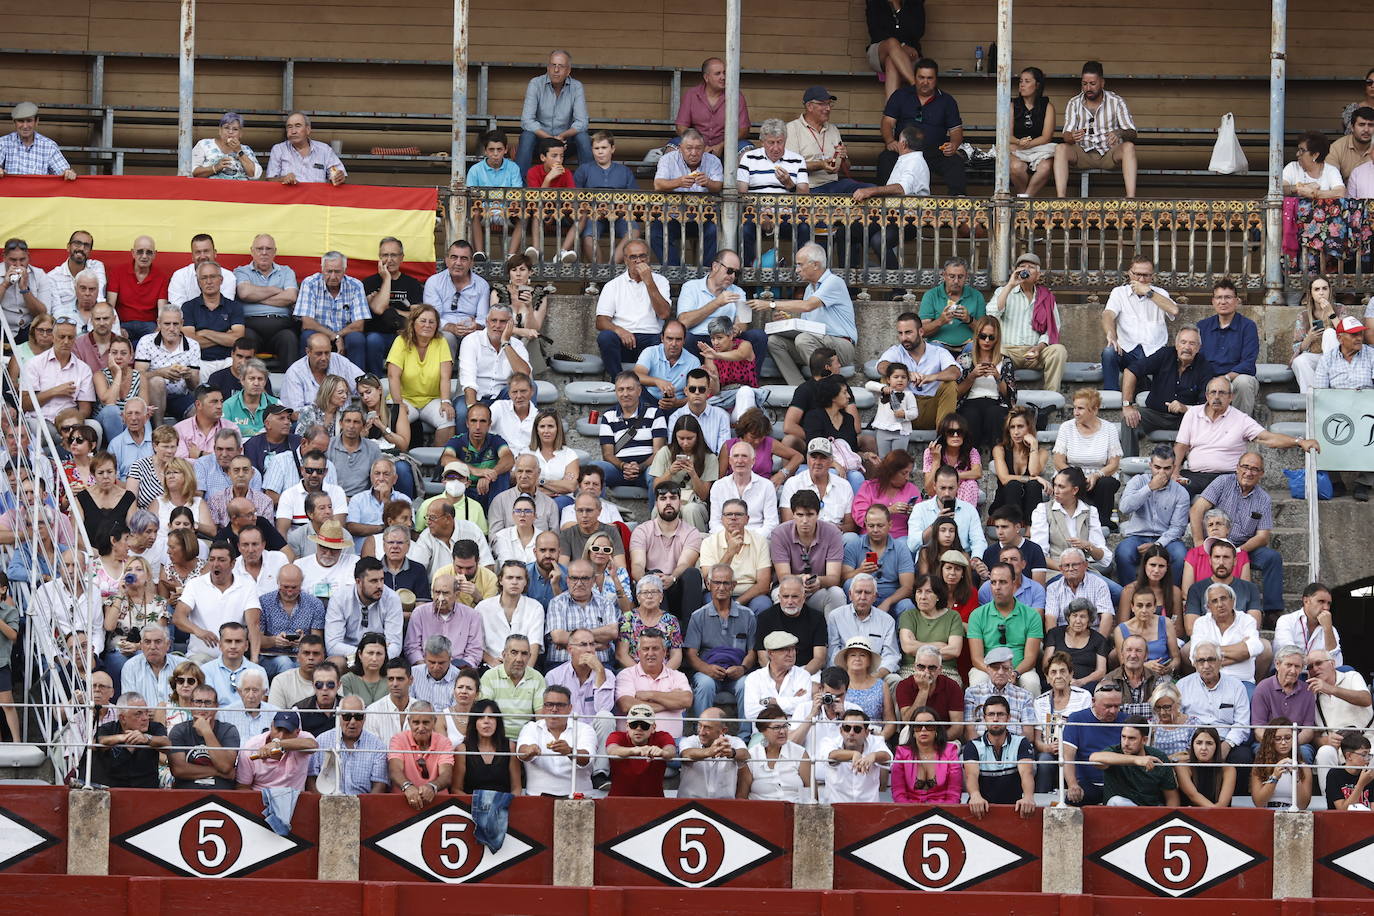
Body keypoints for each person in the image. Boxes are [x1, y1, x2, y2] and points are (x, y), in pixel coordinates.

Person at [763, 244, 858, 386]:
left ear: (815, 265)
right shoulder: (809, 288)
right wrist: (785, 322)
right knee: (774, 341)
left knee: (803, 339)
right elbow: (807, 325)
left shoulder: (833, 282)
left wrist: (771, 304)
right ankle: (799, 387)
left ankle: (825, 387)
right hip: (815, 343)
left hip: (841, 346)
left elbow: (808, 306)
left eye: (800, 265)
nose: (797, 270)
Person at [877, 58, 964, 194]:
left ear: (936, 79)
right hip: (903, 151)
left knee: (955, 163)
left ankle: (958, 208)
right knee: (885, 159)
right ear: (915, 78)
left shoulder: (947, 101)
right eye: (921, 77)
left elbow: (956, 130)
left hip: (935, 152)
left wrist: (953, 145)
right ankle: (882, 205)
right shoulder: (900, 95)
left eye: (930, 78)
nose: (925, 82)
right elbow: (887, 122)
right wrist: (889, 141)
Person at [1053, 62, 1139, 198]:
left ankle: (1130, 199)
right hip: (1082, 154)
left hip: (1109, 154)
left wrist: (1119, 132)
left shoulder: (1116, 101)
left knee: (1128, 147)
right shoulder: (1074, 103)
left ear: (1102, 83)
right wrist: (1072, 136)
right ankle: (1061, 199)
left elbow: (1132, 133)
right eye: (1084, 84)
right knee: (1060, 149)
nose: (1088, 88)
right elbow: (1066, 136)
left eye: (1092, 84)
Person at [546, 627, 616, 784]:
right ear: (570, 649)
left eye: (592, 644)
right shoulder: (554, 676)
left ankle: (600, 774)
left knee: (606, 717)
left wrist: (599, 671)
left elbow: (603, 709)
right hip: (568, 733)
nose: (590, 650)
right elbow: (552, 712)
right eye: (583, 644)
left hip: (595, 735)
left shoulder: (607, 674)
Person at [684, 565, 757, 717]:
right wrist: (707, 669)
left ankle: (745, 736)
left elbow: (752, 651)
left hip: (737, 671)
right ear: (709, 584)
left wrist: (742, 668)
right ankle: (703, 734)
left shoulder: (748, 615)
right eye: (717, 582)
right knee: (705, 684)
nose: (721, 587)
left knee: (746, 684)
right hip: (708, 671)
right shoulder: (698, 616)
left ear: (733, 585)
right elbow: (690, 654)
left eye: (726, 583)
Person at [1100, 255, 1180, 391]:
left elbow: (1174, 310)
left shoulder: (1160, 293)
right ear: (1129, 274)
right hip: (1127, 350)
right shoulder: (1119, 293)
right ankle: (1111, 395)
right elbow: (1108, 314)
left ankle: (1147, 390)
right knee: (1108, 352)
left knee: (1170, 357)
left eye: (1146, 275)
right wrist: (1111, 334)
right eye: (1137, 275)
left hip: (1154, 352)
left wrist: (1148, 292)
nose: (1142, 279)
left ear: (1153, 276)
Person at [1178, 642, 1254, 767]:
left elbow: (1242, 724)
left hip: (1224, 740)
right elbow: (1177, 720)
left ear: (1221, 661)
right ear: (1195, 664)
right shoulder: (1182, 685)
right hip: (1192, 743)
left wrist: (1227, 745)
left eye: (1211, 660)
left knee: (1243, 757)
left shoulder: (1236, 686)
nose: (1206, 665)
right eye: (1201, 661)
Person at [516, 50, 591, 175]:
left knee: (583, 137)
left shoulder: (576, 87)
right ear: (548, 67)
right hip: (540, 141)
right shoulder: (535, 84)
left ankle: (589, 185)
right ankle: (518, 186)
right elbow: (527, 121)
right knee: (527, 136)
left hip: (565, 142)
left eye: (560, 66)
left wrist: (562, 137)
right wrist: (550, 139)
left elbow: (582, 122)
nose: (556, 70)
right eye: (553, 65)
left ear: (568, 70)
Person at [961, 695, 1037, 818]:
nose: (995, 719)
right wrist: (975, 796)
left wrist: (1028, 797)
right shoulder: (973, 745)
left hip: (1014, 810)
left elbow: (1026, 773)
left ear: (1008, 718)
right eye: (991, 714)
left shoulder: (1021, 742)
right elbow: (971, 775)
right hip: (981, 809)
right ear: (984, 718)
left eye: (1000, 714)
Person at [786, 86, 868, 196]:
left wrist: (843, 158)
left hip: (833, 184)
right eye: (823, 104)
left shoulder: (833, 129)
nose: (828, 108)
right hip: (808, 187)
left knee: (870, 189)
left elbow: (846, 168)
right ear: (809, 106)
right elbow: (791, 166)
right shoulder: (792, 128)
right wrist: (821, 165)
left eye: (829, 104)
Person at [234, 234, 300, 370]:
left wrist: (256, 297)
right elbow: (245, 293)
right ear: (252, 251)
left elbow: (291, 297)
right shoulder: (241, 271)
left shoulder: (286, 271)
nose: (264, 253)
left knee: (290, 338)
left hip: (281, 327)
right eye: (259, 248)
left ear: (275, 252)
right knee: (245, 338)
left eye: (268, 249)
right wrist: (275, 290)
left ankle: (291, 387)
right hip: (251, 326)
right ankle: (244, 387)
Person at [516, 684, 596, 797]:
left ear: (570, 708)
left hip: (578, 798)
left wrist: (570, 751)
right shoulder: (531, 727)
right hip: (538, 798)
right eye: (549, 705)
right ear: (543, 708)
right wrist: (530, 750)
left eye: (560, 705)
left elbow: (588, 759)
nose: (554, 709)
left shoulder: (585, 729)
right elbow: (521, 752)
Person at [295, 251, 369, 370]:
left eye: (338, 272)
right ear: (322, 269)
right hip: (320, 333)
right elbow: (307, 322)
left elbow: (359, 324)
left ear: (344, 270)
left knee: (357, 339)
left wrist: (339, 336)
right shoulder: (310, 283)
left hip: (345, 334)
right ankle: (307, 379)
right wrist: (335, 337)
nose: (333, 276)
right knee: (307, 336)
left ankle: (358, 382)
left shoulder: (355, 285)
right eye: (329, 271)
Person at [698, 499, 773, 615]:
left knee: (763, 604)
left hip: (751, 594)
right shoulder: (709, 542)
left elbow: (763, 585)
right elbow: (709, 581)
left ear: (747, 519)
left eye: (738, 514)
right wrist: (730, 552)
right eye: (728, 514)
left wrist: (737, 603)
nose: (733, 518)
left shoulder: (760, 541)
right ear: (722, 520)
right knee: (713, 603)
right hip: (719, 591)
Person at [1089, 716, 1181, 806]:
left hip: (1151, 814)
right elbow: (1094, 758)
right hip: (1119, 814)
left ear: (1144, 740)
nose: (1125, 743)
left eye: (1131, 738)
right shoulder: (1115, 752)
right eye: (1123, 737)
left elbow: (1172, 798)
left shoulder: (1158, 757)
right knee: (1116, 801)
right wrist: (1136, 760)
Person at [306, 695, 388, 794]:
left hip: (363, 805)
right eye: (347, 716)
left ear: (365, 717)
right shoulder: (322, 740)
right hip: (326, 803)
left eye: (358, 716)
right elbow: (311, 779)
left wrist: (365, 807)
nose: (352, 722)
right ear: (339, 717)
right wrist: (323, 803)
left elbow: (379, 785)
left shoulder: (378, 746)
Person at [1061, 681, 1125, 805]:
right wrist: (1072, 784)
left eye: (1117, 706)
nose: (1112, 711)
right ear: (1093, 701)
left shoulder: (1126, 720)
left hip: (1119, 784)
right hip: (1087, 784)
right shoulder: (1077, 719)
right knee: (1073, 799)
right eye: (1107, 706)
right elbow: (1067, 756)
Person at [673, 57, 751, 160]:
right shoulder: (692, 94)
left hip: (727, 146)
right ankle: (681, 177)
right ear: (706, 77)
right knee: (672, 149)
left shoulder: (736, 96)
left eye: (724, 73)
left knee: (747, 152)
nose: (723, 77)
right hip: (696, 144)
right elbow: (681, 127)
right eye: (718, 74)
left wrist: (721, 146)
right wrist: (698, 145)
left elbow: (743, 130)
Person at [91, 692, 170, 788]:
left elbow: (167, 744)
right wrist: (122, 737)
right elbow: (96, 743)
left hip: (147, 789)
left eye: (146, 712)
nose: (145, 718)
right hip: (114, 789)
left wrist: (147, 738)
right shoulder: (109, 728)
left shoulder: (155, 727)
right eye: (138, 714)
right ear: (123, 718)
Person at [387, 700, 454, 809]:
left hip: (438, 804)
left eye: (426, 722)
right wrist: (407, 787)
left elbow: (446, 775)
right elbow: (395, 770)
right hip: (402, 802)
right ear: (409, 722)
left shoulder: (444, 742)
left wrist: (432, 787)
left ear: (434, 721)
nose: (421, 728)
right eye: (416, 722)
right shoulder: (398, 739)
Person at [737, 705, 812, 801]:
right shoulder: (752, 755)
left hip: (793, 810)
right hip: (760, 811)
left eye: (785, 726)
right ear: (763, 731)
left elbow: (812, 792)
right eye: (776, 728)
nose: (782, 731)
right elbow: (741, 796)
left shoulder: (800, 753)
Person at [450, 698, 522, 795]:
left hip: (503, 806)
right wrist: (477, 803)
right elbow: (456, 789)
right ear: (474, 722)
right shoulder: (462, 749)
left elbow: (516, 788)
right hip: (470, 806)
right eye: (481, 717)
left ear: (498, 721)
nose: (486, 721)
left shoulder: (510, 747)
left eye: (491, 717)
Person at [604, 703, 677, 798]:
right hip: (619, 801)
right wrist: (635, 750)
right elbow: (612, 750)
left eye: (644, 725)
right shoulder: (616, 736)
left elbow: (671, 751)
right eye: (633, 725)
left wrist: (662, 753)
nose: (638, 729)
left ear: (653, 727)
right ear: (627, 726)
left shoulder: (662, 736)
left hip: (654, 802)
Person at [678, 708, 748, 798]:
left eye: (707, 727)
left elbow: (745, 755)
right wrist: (710, 751)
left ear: (723, 731)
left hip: (723, 805)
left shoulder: (734, 742)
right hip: (690, 806)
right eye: (699, 726)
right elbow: (686, 754)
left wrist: (732, 753)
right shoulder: (689, 740)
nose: (701, 732)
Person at [0, 101, 76, 179]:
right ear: (14, 122)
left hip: (40, 191)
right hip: (11, 191)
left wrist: (68, 173)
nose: (25, 126)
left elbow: (64, 171)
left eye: (29, 121)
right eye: (21, 121)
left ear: (36, 121)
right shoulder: (3, 143)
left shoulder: (49, 146)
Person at [1250, 718, 1313, 809]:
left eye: (1288, 738)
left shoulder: (1304, 768)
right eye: (1277, 739)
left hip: (1293, 814)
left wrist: (1296, 777)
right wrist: (1274, 778)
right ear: (1270, 741)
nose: (1283, 743)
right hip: (1268, 812)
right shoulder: (1260, 766)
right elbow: (1259, 803)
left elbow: (1303, 805)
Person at [266, 112, 345, 185]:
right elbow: (270, 180)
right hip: (288, 199)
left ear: (308, 130)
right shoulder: (278, 149)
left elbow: (338, 174)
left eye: (298, 126)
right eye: (289, 127)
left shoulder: (324, 150)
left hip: (316, 198)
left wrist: (339, 177)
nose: (293, 131)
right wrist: (283, 179)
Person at [365, 658, 416, 747]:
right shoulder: (373, 711)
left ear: (410, 680)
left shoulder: (421, 710)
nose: (395, 684)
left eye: (400, 679)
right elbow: (372, 751)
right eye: (391, 679)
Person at [1325, 732, 1374, 811]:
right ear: (1349, 756)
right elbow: (1343, 810)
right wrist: (1361, 784)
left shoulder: (1369, 775)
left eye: (1369, 754)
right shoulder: (1334, 774)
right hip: (1339, 821)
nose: (1368, 759)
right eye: (1364, 755)